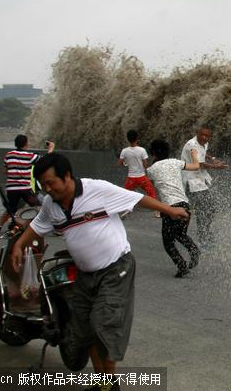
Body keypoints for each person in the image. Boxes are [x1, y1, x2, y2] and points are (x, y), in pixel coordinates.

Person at [10, 153, 189, 391]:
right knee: (84, 328)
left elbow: (137, 198)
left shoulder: (97, 189)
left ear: (66, 176)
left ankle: (109, 383)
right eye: (43, 185)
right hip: (85, 274)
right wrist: (20, 245)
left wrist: (168, 210)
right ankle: (103, 382)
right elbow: (37, 225)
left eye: (51, 183)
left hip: (116, 268)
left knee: (104, 323)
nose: (48, 189)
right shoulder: (50, 204)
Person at [147, 139, 201, 278]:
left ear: (153, 153)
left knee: (168, 242)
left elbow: (150, 177)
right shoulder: (176, 162)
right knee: (180, 234)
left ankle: (182, 267)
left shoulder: (152, 170)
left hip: (170, 208)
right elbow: (196, 166)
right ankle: (194, 250)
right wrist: (194, 153)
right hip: (185, 205)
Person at [0, 135, 55, 234]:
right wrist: (51, 148)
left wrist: (15, 171)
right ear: (26, 144)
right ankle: (45, 226)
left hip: (11, 188)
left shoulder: (9, 155)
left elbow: (4, 170)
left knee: (12, 208)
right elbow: (46, 161)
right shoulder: (29, 156)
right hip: (25, 189)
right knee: (37, 206)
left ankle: (0, 227)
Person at [180, 125, 227, 246]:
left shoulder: (203, 143)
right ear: (197, 134)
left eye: (207, 136)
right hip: (191, 180)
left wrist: (213, 158)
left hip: (200, 180)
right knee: (204, 208)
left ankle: (203, 232)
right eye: (202, 135)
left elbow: (203, 153)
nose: (204, 137)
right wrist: (216, 166)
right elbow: (199, 163)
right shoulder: (192, 145)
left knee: (209, 208)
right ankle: (202, 236)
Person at [118, 130, 158, 218]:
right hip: (142, 178)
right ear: (137, 138)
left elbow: (120, 163)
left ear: (128, 139)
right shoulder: (142, 150)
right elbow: (145, 164)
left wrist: (126, 163)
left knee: (125, 194)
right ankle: (156, 212)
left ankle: (126, 209)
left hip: (131, 178)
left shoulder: (124, 151)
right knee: (152, 193)